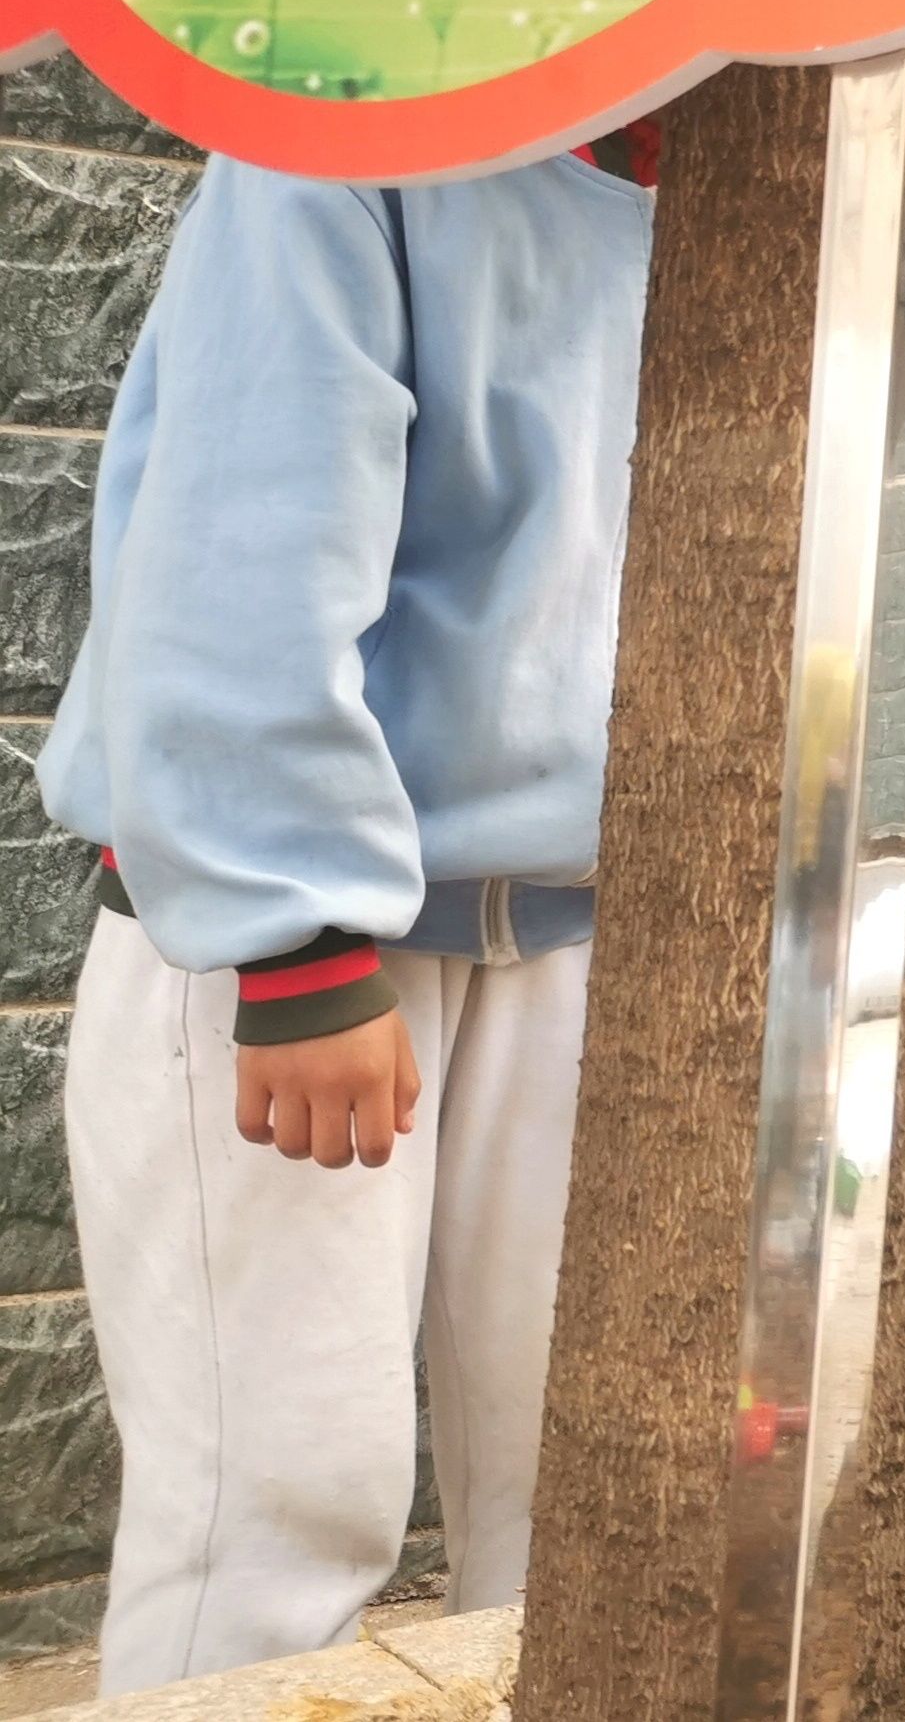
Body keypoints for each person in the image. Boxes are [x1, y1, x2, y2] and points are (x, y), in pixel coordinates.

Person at [40, 133, 664, 1692]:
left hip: (580, 919)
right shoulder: (340, 136)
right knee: (279, 1496)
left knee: (583, 1489)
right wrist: (296, 936)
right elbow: (248, 531)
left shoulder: (737, 152)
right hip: (306, 940)